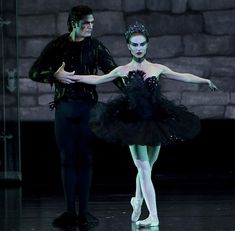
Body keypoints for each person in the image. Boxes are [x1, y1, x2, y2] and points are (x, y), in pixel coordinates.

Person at [72, 22, 218, 228]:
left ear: (147, 45)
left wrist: (204, 80)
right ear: (129, 47)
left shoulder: (156, 68)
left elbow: (182, 76)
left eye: (142, 44)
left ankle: (138, 200)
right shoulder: (122, 70)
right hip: (133, 123)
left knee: (147, 169)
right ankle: (153, 216)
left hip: (155, 121)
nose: (139, 48)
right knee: (143, 168)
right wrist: (73, 77)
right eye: (134, 44)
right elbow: (97, 79)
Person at [28, 5, 123, 228]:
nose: (90, 26)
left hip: (88, 109)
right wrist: (54, 75)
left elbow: (114, 72)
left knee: (86, 159)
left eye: (92, 22)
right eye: (86, 23)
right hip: (64, 108)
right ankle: (70, 210)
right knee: (67, 159)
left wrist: (133, 93)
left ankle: (85, 211)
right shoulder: (57, 45)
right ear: (74, 23)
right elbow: (34, 72)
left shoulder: (96, 47)